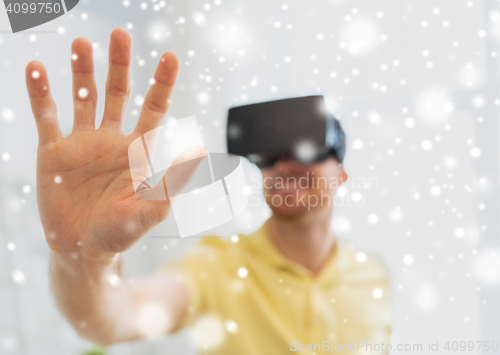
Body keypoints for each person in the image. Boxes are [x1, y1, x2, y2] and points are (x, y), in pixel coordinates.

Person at [26, 28, 392, 354]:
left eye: (304, 149)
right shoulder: (215, 267)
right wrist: (83, 257)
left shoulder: (374, 276)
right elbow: (110, 321)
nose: (283, 166)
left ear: (341, 173)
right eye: (267, 155)